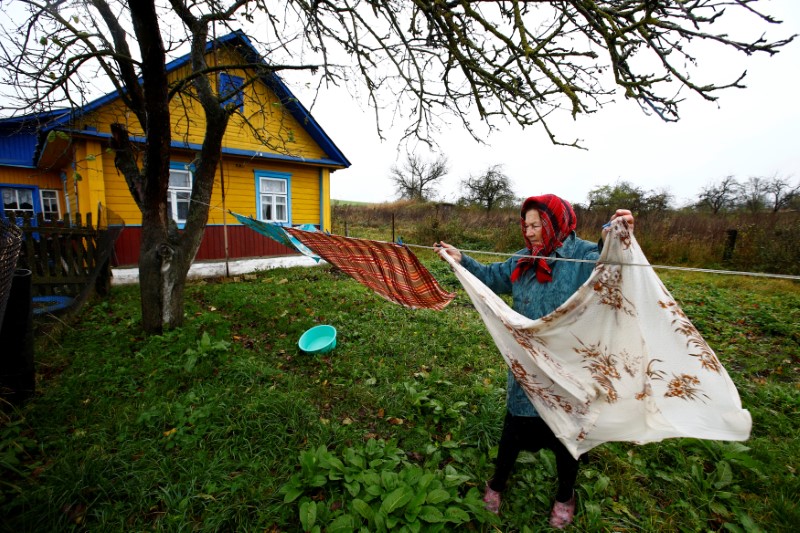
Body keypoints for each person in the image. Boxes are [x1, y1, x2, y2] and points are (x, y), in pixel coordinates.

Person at [434, 194, 634, 529]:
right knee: (514, 428)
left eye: (536, 224)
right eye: (525, 225)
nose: (529, 232)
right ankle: (497, 484)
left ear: (555, 222)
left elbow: (610, 261)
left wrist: (615, 234)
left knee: (566, 437)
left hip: (569, 366)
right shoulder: (522, 260)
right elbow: (492, 276)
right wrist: (462, 260)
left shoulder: (582, 256)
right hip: (527, 366)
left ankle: (565, 495)